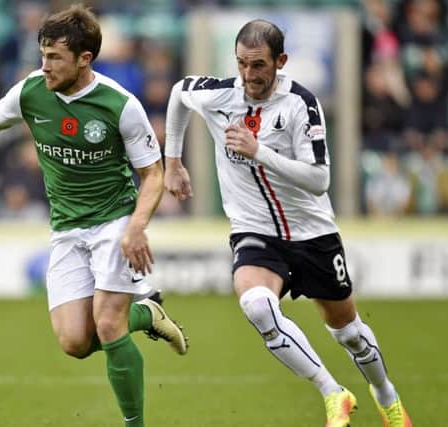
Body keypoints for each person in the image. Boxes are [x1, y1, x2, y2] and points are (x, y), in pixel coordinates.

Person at [0, 5, 188, 427]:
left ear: (85, 59)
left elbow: (153, 173)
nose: (44, 66)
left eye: (55, 58)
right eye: (43, 54)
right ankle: (148, 314)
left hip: (114, 220)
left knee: (107, 325)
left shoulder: (120, 104)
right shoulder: (32, 90)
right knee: (74, 341)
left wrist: (137, 227)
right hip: (67, 228)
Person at [164, 19, 412, 427]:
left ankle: (387, 395)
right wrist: (173, 163)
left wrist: (259, 151)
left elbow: (319, 180)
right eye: (242, 63)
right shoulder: (218, 93)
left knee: (346, 331)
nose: (248, 75)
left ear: (280, 61)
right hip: (254, 230)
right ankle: (333, 393)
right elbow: (177, 94)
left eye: (258, 65)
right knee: (256, 305)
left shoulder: (301, 103)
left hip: (312, 232)